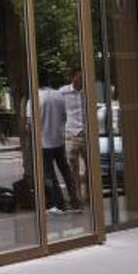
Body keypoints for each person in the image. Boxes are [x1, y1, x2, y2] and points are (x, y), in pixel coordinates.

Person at [38, 70, 80, 214]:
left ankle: (59, 204)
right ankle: (75, 202)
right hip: (59, 140)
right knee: (66, 172)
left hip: (43, 143)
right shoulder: (59, 95)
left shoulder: (35, 98)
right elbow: (64, 117)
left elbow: (31, 125)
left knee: (50, 175)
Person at [59, 69, 88, 208]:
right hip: (71, 133)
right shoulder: (63, 92)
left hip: (86, 133)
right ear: (72, 78)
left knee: (91, 166)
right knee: (73, 167)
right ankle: (77, 196)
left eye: (83, 77)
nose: (82, 79)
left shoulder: (87, 92)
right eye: (79, 77)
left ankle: (89, 193)